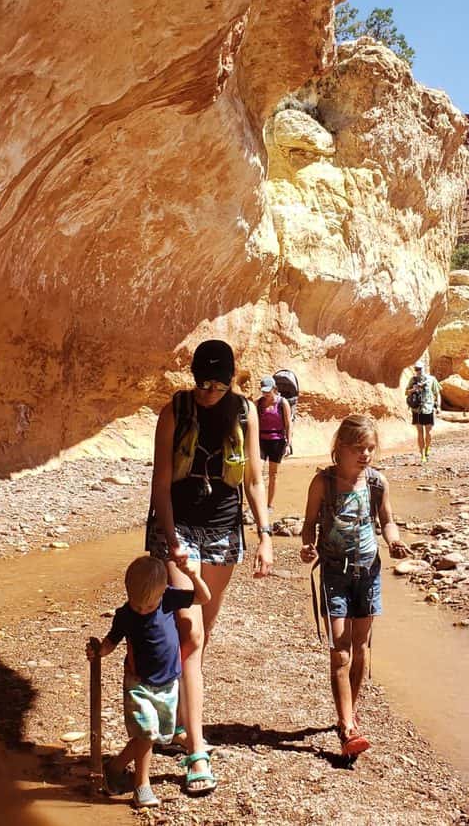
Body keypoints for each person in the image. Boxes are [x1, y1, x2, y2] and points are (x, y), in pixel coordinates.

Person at [146, 339, 273, 794]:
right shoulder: (174, 411)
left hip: (223, 529)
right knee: (189, 630)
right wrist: (173, 540)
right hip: (176, 528)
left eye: (217, 384)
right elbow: (161, 483)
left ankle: (181, 722)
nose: (208, 391)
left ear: (231, 380)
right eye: (202, 382)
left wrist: (265, 536)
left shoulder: (245, 413)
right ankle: (196, 751)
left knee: (203, 634)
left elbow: (255, 479)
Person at [299, 415, 411, 757]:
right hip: (334, 573)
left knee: (361, 646)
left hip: (368, 573)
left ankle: (350, 712)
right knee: (340, 648)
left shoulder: (377, 483)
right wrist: (308, 547)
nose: (366, 455)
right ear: (340, 449)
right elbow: (308, 525)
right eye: (358, 448)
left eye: (371, 448)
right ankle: (347, 727)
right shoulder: (323, 483)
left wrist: (394, 542)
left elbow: (387, 521)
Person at [87, 555, 212, 808]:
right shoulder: (125, 614)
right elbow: (113, 640)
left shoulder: (168, 599)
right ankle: (141, 786)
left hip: (168, 683)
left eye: (148, 606)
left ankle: (115, 766)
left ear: (162, 591)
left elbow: (203, 598)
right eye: (137, 605)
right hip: (139, 683)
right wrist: (100, 651)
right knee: (146, 733)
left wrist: (194, 576)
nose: (142, 610)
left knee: (157, 735)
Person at [256, 377, 293, 510]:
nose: (265, 394)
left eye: (268, 391)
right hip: (261, 440)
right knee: (257, 472)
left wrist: (288, 443)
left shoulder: (283, 403)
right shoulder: (258, 403)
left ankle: (269, 504)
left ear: (274, 389)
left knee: (273, 474)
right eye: (263, 391)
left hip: (277, 441)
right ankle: (258, 502)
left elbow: (288, 424)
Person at [405, 362, 440, 463]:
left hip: (428, 407)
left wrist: (438, 406)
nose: (418, 371)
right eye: (416, 369)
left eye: (419, 369)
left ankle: (427, 449)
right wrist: (413, 389)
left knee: (428, 432)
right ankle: (422, 454)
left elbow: (437, 393)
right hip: (417, 409)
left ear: (423, 368)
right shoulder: (413, 380)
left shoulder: (431, 379)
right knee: (420, 432)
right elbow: (406, 392)